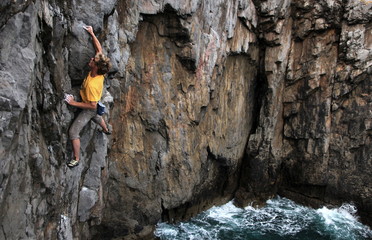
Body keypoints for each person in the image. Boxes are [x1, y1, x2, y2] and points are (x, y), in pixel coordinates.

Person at [65, 26, 112, 168]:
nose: (91, 59)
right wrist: (92, 33)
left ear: (96, 67)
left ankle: (77, 158)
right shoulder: (101, 69)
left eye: (93, 61)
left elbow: (91, 106)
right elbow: (99, 49)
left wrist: (73, 103)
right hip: (94, 100)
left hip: (90, 105)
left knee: (73, 131)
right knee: (97, 116)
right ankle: (106, 130)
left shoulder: (92, 84)